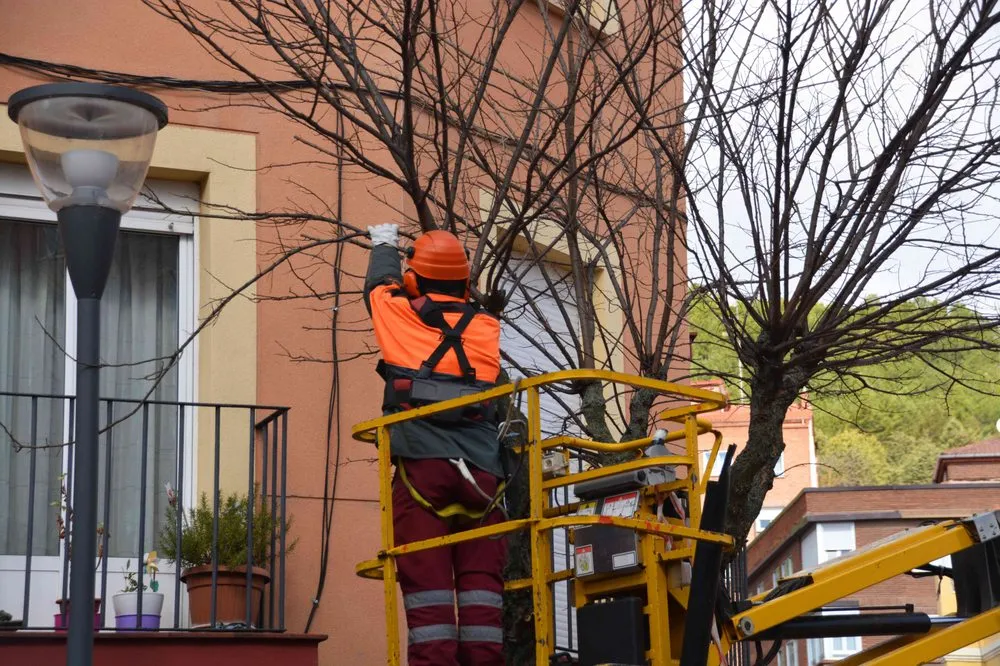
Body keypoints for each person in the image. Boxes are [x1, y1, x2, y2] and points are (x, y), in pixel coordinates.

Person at [364, 223, 507, 666]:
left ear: (413, 280)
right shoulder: (487, 326)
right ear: (465, 282)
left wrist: (384, 246)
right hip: (484, 473)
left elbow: (378, 287)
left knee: (428, 587)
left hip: (423, 466)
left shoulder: (397, 313)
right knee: (482, 586)